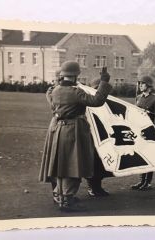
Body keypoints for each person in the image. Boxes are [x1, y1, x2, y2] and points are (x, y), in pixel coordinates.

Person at [39, 61, 112, 211]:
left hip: (58, 131)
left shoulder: (54, 91)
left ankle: (60, 195)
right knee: (74, 164)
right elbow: (97, 101)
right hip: (74, 131)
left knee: (61, 165)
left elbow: (51, 100)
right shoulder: (76, 92)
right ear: (75, 75)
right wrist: (104, 81)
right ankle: (67, 200)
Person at [130, 76, 155, 191]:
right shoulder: (138, 97)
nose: (140, 85)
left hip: (150, 132)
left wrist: (154, 133)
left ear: (148, 86)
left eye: (143, 84)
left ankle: (147, 182)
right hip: (139, 132)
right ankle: (141, 180)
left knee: (149, 157)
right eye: (139, 83)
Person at [85, 78, 114, 197]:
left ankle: (98, 187)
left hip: (103, 138)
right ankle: (92, 187)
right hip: (91, 138)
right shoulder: (88, 102)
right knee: (92, 164)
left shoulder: (106, 103)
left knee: (101, 165)